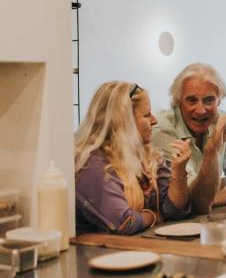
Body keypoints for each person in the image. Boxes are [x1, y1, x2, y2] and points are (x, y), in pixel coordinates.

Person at [75, 82, 192, 234]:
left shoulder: (148, 156)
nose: (155, 120)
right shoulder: (93, 164)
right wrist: (152, 216)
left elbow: (174, 212)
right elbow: (124, 223)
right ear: (124, 121)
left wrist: (178, 171)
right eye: (147, 114)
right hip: (96, 254)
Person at [151, 63, 226, 212]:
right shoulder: (162, 131)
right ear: (178, 101)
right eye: (191, 100)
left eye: (209, 100)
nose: (200, 110)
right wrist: (213, 148)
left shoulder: (225, 121)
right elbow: (193, 200)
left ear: (219, 101)